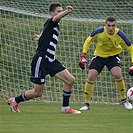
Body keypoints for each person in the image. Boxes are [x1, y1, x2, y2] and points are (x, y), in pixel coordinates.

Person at [8, 2, 81, 114]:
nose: (60, 13)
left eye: (61, 11)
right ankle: (15, 100)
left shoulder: (53, 26)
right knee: (38, 93)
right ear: (52, 13)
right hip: (41, 60)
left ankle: (65, 108)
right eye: (58, 11)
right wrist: (67, 11)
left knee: (70, 80)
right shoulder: (52, 21)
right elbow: (54, 19)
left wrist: (40, 36)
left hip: (51, 60)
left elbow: (46, 32)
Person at [79, 16, 133, 110]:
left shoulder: (120, 34)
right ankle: (86, 104)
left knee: (117, 74)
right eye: (109, 25)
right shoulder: (99, 31)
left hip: (113, 56)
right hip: (99, 56)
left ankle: (124, 100)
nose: (111, 28)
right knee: (91, 76)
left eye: (113, 26)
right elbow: (88, 41)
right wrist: (83, 55)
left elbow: (130, 48)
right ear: (105, 25)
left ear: (116, 25)